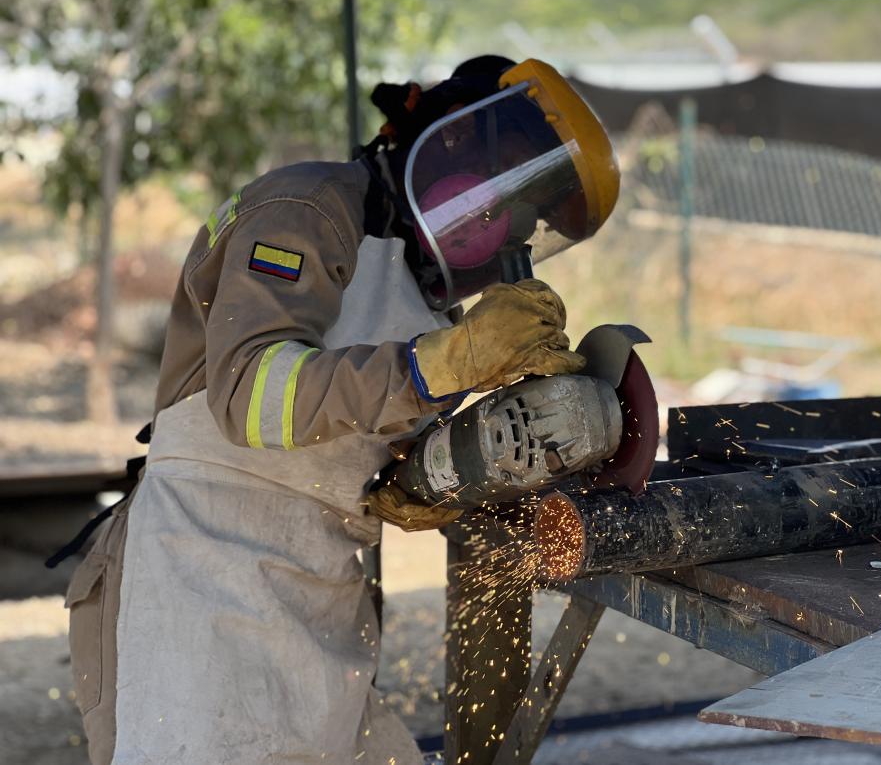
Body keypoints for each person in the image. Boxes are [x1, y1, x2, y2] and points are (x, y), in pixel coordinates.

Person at [63, 55, 619, 765]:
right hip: (197, 569)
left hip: (325, 586)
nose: (512, 223)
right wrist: (441, 363)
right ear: (451, 140)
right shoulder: (307, 209)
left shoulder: (429, 295)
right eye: (513, 188)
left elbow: (360, 436)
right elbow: (250, 396)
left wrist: (428, 477)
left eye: (532, 214)